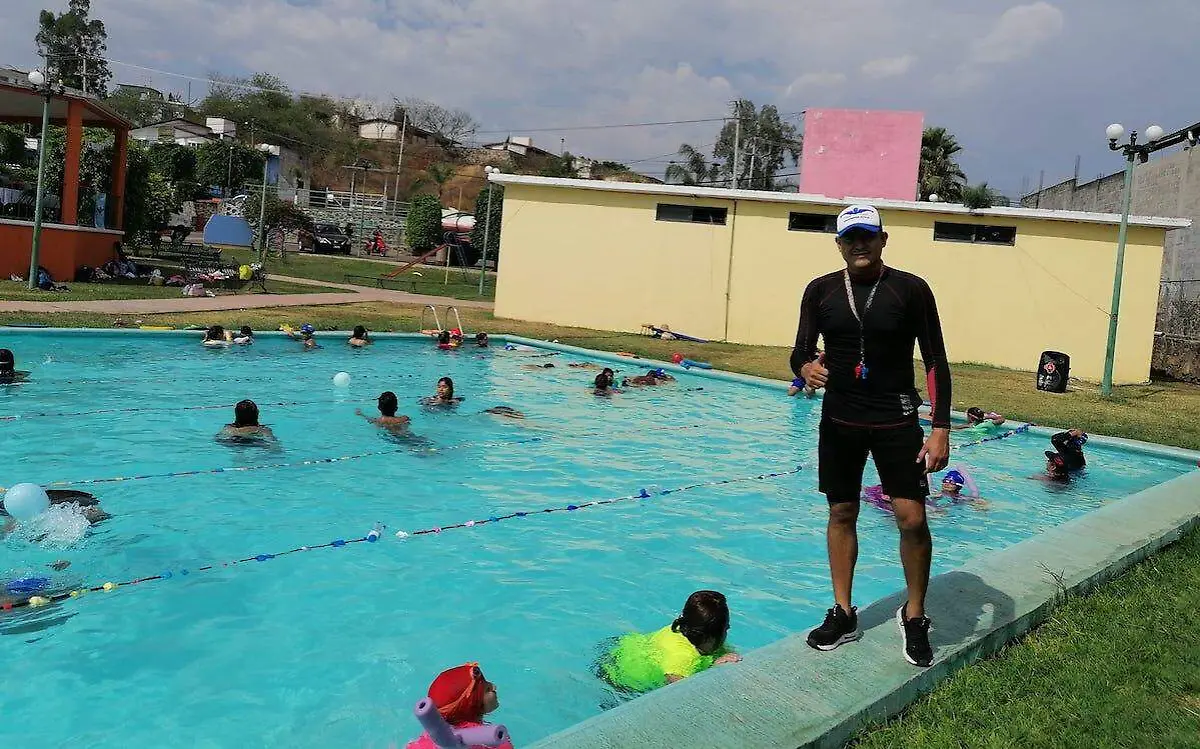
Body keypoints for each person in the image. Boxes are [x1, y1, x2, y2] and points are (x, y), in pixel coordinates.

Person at [793, 204, 951, 668]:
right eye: (849, 237)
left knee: (911, 518)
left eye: (867, 235)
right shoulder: (819, 291)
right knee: (842, 511)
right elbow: (800, 349)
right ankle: (843, 612)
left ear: (884, 239)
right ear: (839, 244)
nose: (859, 244)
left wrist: (940, 426)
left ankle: (915, 613)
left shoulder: (911, 289)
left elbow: (936, 359)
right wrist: (803, 367)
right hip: (840, 419)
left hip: (896, 418)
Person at [598, 590, 741, 694]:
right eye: (726, 629)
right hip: (622, 683)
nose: (727, 631)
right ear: (709, 636)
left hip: (620, 653)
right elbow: (679, 690)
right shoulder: (682, 656)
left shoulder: (682, 629)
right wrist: (712, 671)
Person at [405, 663, 514, 749]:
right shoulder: (490, 739)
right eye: (487, 690)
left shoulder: (431, 736)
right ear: (471, 706)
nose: (494, 686)